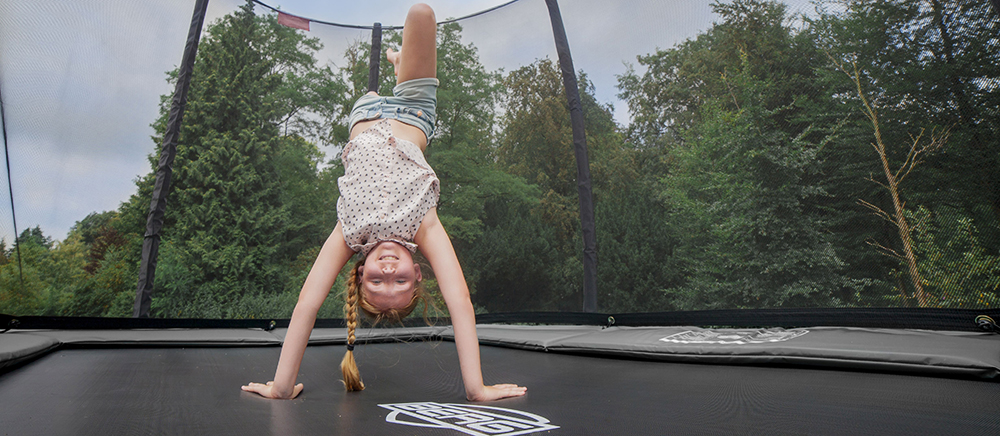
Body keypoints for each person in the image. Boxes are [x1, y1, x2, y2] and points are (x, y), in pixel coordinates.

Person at [241, 3, 527, 402]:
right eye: (400, 280)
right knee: (421, 13)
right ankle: (398, 62)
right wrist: (476, 388)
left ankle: (395, 61)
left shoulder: (349, 234)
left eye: (377, 280)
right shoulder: (423, 225)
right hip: (414, 109)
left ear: (360, 275)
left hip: (365, 112)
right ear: (417, 272)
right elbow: (460, 301)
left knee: (397, 52)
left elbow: (306, 304)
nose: (389, 270)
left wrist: (282, 386)